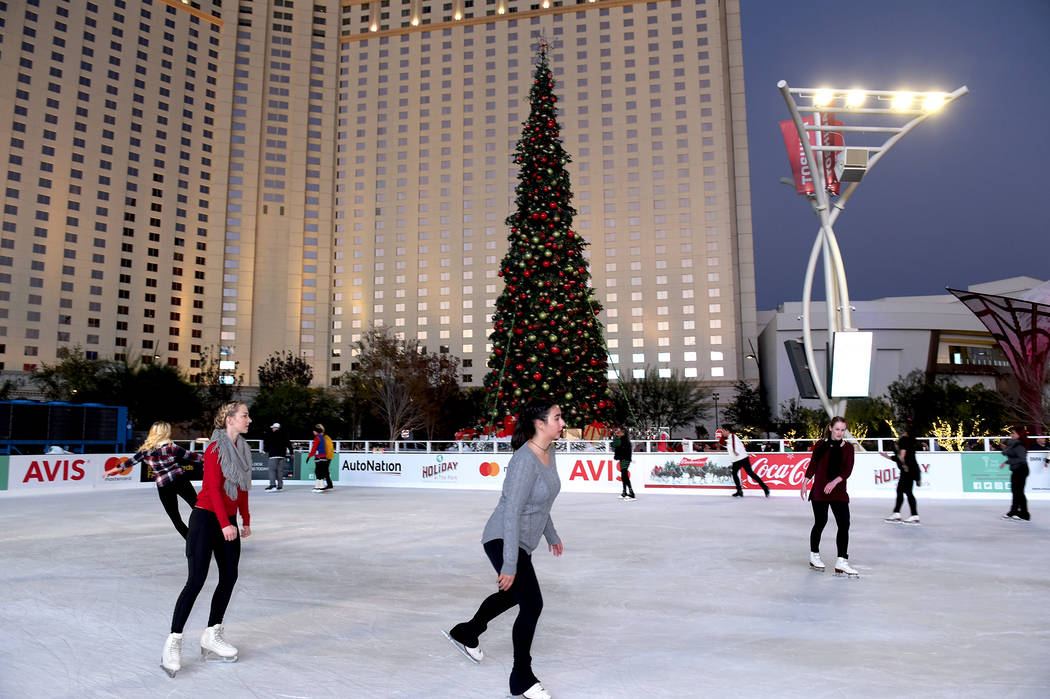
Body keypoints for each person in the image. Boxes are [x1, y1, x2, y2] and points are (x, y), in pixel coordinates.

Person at [444, 398, 565, 699]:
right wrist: (509, 564)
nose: (563, 423)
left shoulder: (548, 452)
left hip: (521, 540)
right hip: (502, 537)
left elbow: (542, 501)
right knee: (532, 603)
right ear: (540, 424)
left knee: (512, 595)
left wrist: (551, 535)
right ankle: (521, 677)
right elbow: (512, 512)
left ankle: (467, 632)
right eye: (558, 418)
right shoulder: (525, 460)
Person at [161, 402, 253, 678]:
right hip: (206, 519)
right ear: (229, 419)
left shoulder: (242, 451)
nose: (249, 419)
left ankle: (212, 633)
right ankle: (173, 642)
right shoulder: (215, 448)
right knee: (196, 581)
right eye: (245, 415)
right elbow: (212, 487)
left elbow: (242, 488)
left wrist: (244, 519)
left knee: (229, 577)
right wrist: (225, 522)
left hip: (228, 520)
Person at [107, 421, 203, 539]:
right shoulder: (171, 448)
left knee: (175, 518)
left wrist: (111, 471)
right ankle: (209, 537)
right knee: (199, 508)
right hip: (180, 481)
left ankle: (193, 542)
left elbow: (128, 463)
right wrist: (212, 458)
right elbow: (194, 457)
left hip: (164, 486)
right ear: (164, 432)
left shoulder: (145, 452)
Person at [799, 416, 858, 577]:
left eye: (842, 430)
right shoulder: (820, 445)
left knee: (844, 523)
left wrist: (835, 482)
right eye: (837, 429)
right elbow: (813, 464)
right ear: (831, 428)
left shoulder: (848, 448)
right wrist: (805, 482)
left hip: (838, 491)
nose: (840, 432)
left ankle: (841, 561)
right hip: (819, 490)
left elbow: (847, 470)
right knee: (820, 522)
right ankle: (814, 555)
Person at [882, 430, 922, 524]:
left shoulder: (904, 440)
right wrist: (887, 457)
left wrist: (904, 465)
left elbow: (902, 456)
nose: (902, 433)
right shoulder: (911, 442)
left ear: (907, 433)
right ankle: (897, 513)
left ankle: (914, 515)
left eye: (904, 432)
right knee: (900, 491)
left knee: (907, 492)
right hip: (911, 470)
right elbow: (898, 457)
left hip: (907, 471)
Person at [720, 425, 770, 497]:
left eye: (723, 431)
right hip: (736, 459)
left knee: (750, 474)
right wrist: (722, 437)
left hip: (742, 458)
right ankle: (739, 491)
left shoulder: (733, 436)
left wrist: (735, 451)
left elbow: (734, 444)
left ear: (727, 431)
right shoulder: (728, 438)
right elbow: (722, 443)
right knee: (735, 474)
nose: (722, 432)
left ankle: (765, 488)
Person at [1000, 426, 1031, 521]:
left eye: (1013, 433)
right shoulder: (1013, 444)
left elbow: (1021, 459)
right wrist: (1006, 462)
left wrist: (1009, 461)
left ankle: (1024, 514)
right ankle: (1013, 511)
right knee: (1015, 491)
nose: (1011, 435)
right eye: (1011, 433)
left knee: (1019, 492)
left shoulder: (1019, 445)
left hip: (1021, 470)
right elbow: (1011, 455)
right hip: (1016, 469)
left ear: (1019, 435)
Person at [263, 422, 292, 492]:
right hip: (282, 455)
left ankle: (273, 485)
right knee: (280, 471)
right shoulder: (284, 435)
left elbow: (267, 443)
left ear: (276, 428)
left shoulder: (271, 435)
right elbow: (288, 443)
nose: (272, 429)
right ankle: (280, 486)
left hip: (273, 455)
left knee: (272, 470)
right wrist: (291, 452)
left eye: (273, 428)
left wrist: (264, 451)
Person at [308, 423, 335, 492]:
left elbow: (326, 448)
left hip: (324, 457)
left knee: (321, 471)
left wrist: (327, 457)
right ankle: (322, 485)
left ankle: (322, 486)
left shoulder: (323, 438)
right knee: (323, 471)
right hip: (323, 456)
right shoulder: (322, 438)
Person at [611, 425, 636, 500]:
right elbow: (613, 444)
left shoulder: (624, 440)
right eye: (617, 431)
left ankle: (631, 493)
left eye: (619, 431)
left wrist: (616, 436)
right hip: (622, 458)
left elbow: (616, 444)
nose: (617, 433)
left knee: (624, 475)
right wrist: (616, 436)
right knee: (623, 475)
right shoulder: (621, 439)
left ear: (623, 432)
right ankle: (624, 492)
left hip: (625, 458)